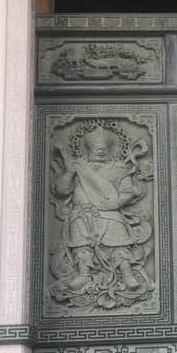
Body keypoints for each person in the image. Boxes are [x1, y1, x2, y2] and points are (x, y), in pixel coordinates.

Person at [51, 124, 152, 300]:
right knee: (81, 243)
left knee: (118, 238)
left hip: (109, 211)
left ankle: (127, 273)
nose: (101, 152)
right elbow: (62, 191)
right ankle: (83, 274)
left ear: (111, 150)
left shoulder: (118, 168)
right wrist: (69, 173)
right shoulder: (79, 167)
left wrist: (116, 202)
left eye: (104, 149)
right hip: (82, 213)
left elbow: (128, 191)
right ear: (88, 150)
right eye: (97, 149)